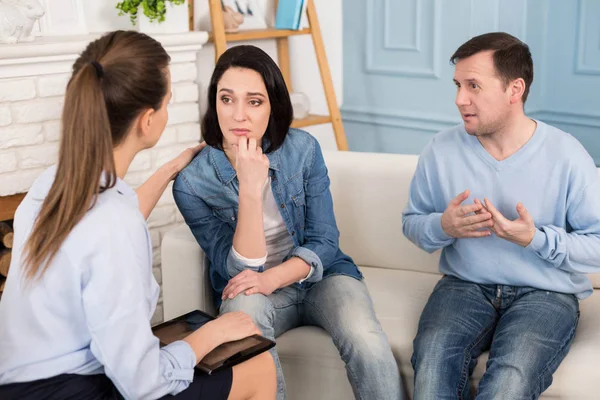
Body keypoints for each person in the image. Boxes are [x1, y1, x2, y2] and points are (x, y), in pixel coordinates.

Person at [0, 30, 276, 400]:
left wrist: (167, 170)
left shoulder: (50, 185)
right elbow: (143, 384)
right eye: (167, 103)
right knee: (256, 366)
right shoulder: (115, 225)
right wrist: (208, 335)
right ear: (147, 121)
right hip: (71, 390)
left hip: (16, 381)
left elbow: (103, 228)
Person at [173, 45, 402, 400]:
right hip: (252, 290)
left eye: (254, 101)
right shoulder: (192, 184)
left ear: (273, 105)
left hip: (321, 278)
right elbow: (235, 268)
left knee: (366, 339)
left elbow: (324, 241)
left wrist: (272, 278)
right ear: (214, 102)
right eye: (226, 99)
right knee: (241, 316)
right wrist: (249, 189)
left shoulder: (303, 150)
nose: (238, 115)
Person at [403, 32, 600, 399]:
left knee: (510, 380)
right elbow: (412, 222)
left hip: (546, 293)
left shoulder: (567, 155)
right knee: (431, 364)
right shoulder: (440, 150)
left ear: (515, 89)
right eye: (458, 85)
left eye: (474, 85)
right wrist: (442, 226)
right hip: (464, 285)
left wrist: (535, 239)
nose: (460, 99)